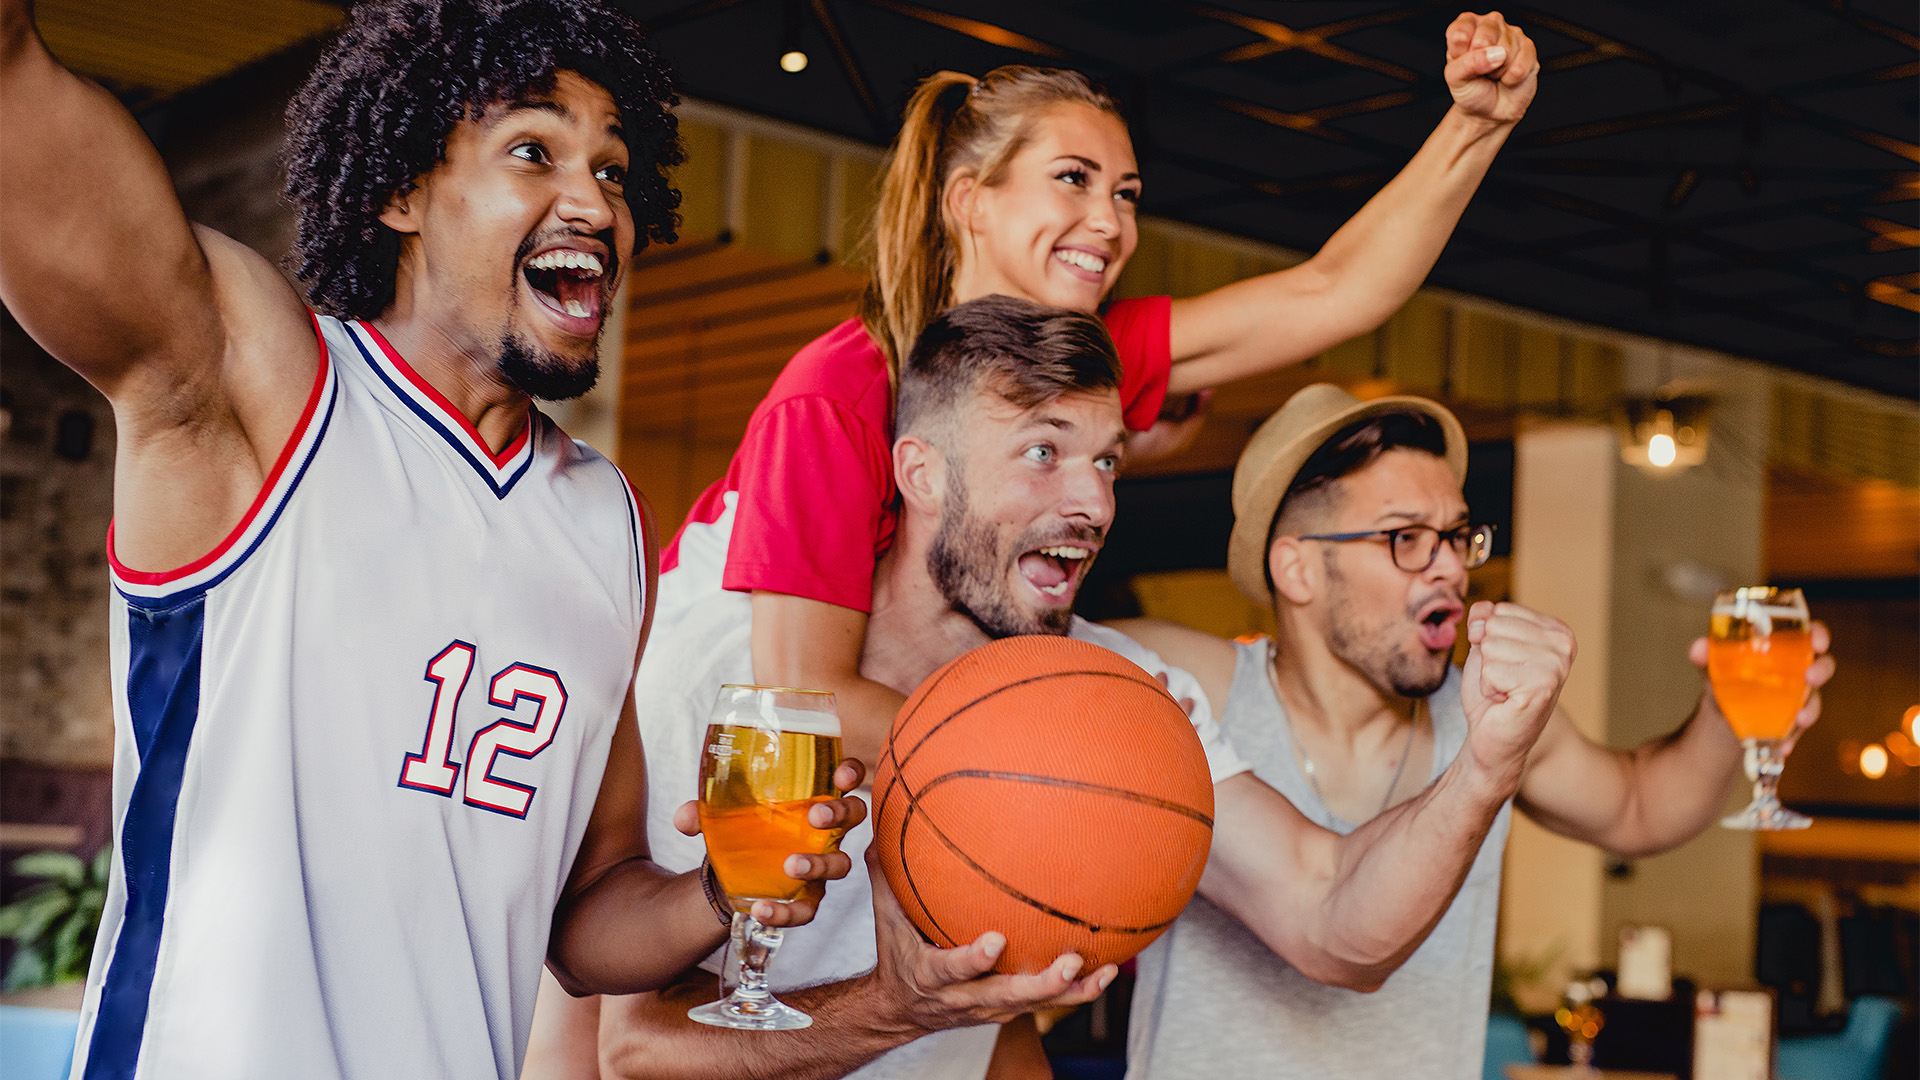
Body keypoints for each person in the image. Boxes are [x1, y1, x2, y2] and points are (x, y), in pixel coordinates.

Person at [0, 2, 862, 1077]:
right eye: (535, 151)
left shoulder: (607, 521)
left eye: (614, 169)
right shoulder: (259, 384)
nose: (592, 201)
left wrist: (721, 893)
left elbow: (588, 917)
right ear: (403, 190)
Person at [573, 296, 1577, 1080]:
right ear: (920, 473)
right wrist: (894, 1006)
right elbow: (633, 1052)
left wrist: (1484, 767)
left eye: (1106, 460)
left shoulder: (1117, 693)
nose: (1093, 501)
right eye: (1044, 453)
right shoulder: (730, 679)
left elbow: (1332, 922)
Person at [656, 12, 1546, 772]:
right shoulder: (842, 388)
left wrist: (1475, 124)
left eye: (1126, 193)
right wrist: (1055, 757)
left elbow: (1336, 292)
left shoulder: (1087, 361)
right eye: (1072, 180)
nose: (1111, 223)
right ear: (969, 199)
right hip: (699, 725)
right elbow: (796, 696)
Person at [1111, 384, 1836, 1079]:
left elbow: (1641, 808)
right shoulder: (1194, 688)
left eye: (1458, 537)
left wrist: (1723, 714)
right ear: (1297, 568)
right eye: (1406, 539)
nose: (1452, 568)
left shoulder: (1483, 712)